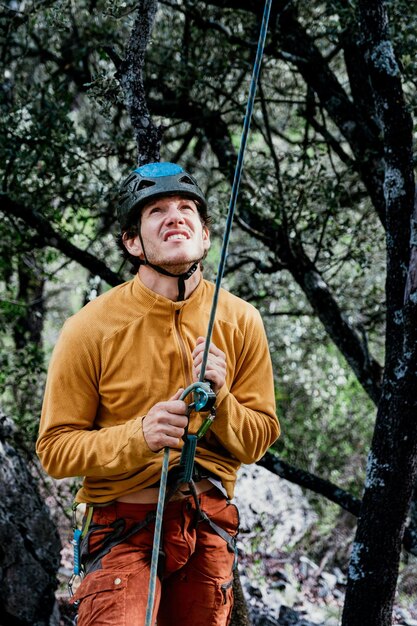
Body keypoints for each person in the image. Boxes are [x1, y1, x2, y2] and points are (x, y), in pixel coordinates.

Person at [36, 161, 280, 626]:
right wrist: (139, 436)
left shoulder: (240, 320)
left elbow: (257, 439)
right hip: (122, 527)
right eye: (157, 211)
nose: (176, 217)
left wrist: (223, 400)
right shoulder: (90, 328)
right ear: (132, 242)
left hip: (206, 523)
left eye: (187, 208)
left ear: (205, 236)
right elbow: (55, 450)